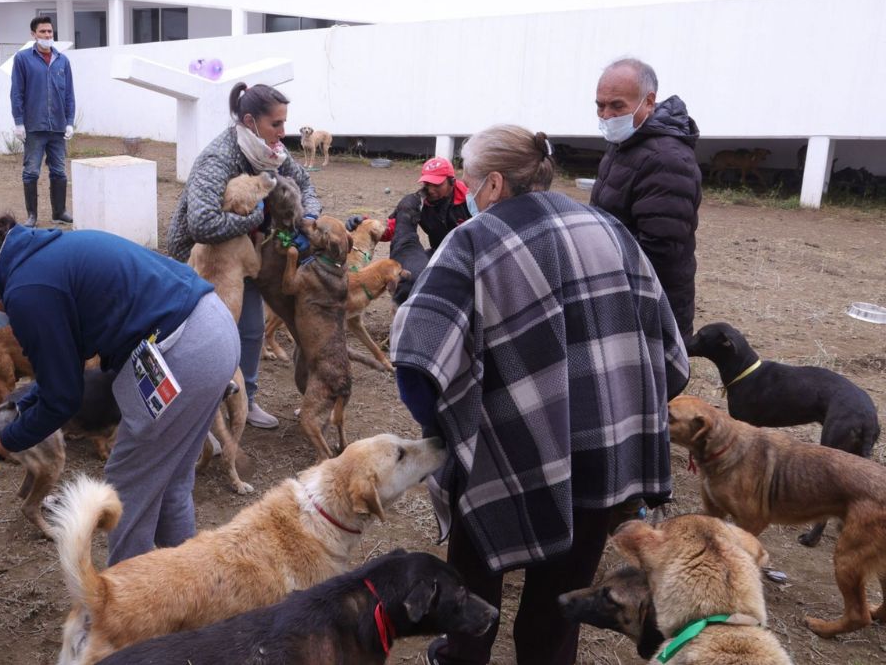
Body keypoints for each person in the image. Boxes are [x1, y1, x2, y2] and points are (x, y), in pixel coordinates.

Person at [391, 125, 689, 665]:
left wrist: (444, 431)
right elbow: (664, 342)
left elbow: (417, 358)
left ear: (495, 183)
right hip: (604, 449)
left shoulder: (472, 241)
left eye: (468, 176)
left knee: (475, 574)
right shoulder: (607, 226)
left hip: (502, 451)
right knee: (563, 591)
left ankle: (465, 656)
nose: (464, 186)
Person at [0, 216, 239, 565]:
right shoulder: (35, 255)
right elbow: (58, 376)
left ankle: (127, 607)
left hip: (181, 352)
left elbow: (62, 400)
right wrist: (23, 409)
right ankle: (184, 586)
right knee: (170, 481)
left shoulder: (26, 292)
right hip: (213, 328)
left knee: (128, 486)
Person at [166, 82, 322, 430]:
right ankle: (197, 408)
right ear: (250, 121)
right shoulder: (218, 158)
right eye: (276, 124)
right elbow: (202, 223)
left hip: (244, 255)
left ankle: (245, 400)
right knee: (205, 337)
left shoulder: (273, 152)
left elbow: (306, 185)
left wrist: (309, 215)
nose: (283, 132)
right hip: (201, 264)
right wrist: (259, 216)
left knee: (250, 331)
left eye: (285, 123)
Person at [591, 57, 701, 338]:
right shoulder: (624, 146)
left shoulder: (666, 159)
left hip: (649, 304)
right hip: (620, 293)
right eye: (600, 105)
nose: (606, 115)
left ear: (649, 102)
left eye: (617, 105)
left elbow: (659, 251)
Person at [347, 156, 470, 303]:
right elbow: (394, 229)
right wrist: (364, 224)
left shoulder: (471, 199)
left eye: (437, 185)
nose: (430, 189)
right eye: (427, 183)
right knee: (411, 270)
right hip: (440, 251)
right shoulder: (419, 203)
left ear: (452, 181)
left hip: (470, 255)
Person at [11, 15, 75, 228]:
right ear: (33, 35)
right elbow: (17, 92)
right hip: (34, 126)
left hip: (57, 127)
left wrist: (69, 121)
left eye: (50, 32)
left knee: (59, 170)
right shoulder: (22, 59)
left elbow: (69, 95)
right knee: (31, 171)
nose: (47, 35)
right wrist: (19, 122)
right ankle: (32, 215)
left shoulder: (62, 61)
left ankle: (59, 212)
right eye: (43, 32)